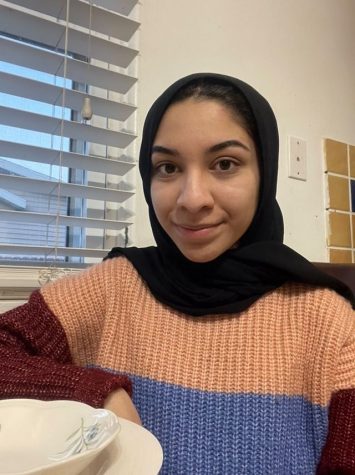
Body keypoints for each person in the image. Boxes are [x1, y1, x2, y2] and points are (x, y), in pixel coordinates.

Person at [0, 72, 354, 474]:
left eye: (224, 163)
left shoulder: (330, 325)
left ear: (264, 173)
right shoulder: (114, 288)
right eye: (167, 168)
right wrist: (96, 393)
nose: (192, 199)